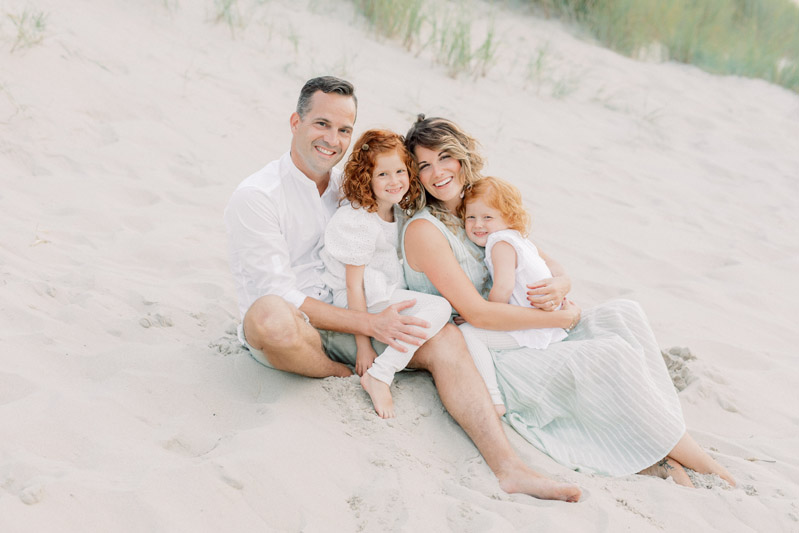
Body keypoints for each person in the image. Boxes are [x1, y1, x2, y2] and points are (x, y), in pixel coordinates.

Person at [224, 76, 582, 502]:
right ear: (295, 122)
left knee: (447, 335)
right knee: (269, 318)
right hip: (300, 328)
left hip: (368, 315)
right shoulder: (258, 195)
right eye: (321, 124)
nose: (332, 139)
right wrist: (369, 325)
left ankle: (510, 469)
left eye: (343, 129)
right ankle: (339, 373)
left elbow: (428, 195)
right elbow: (279, 292)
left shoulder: (353, 183)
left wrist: (558, 280)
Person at [401, 114, 736, 488]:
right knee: (610, 354)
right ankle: (702, 463)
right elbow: (478, 312)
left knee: (624, 315)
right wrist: (560, 320)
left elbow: (542, 260)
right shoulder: (424, 230)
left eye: (444, 157)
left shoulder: (478, 208)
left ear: (462, 159)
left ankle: (663, 435)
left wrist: (562, 285)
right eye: (424, 165)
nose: (437, 172)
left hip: (519, 326)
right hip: (490, 350)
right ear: (415, 175)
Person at [320, 129, 451, 418]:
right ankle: (380, 373)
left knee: (440, 309)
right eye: (383, 175)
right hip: (359, 300)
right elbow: (353, 287)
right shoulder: (358, 220)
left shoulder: (397, 211)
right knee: (440, 306)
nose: (394, 181)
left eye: (400, 171)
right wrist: (363, 346)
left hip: (383, 291)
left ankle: (384, 368)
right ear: (366, 178)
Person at [455, 176, 570, 417]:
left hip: (529, 327)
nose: (478, 224)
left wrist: (480, 315)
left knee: (469, 334)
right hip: (543, 318)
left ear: (509, 217)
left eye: (488, 217)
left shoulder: (500, 244)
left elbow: (503, 288)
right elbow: (556, 267)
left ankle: (492, 396)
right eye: (471, 217)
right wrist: (560, 283)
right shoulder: (520, 239)